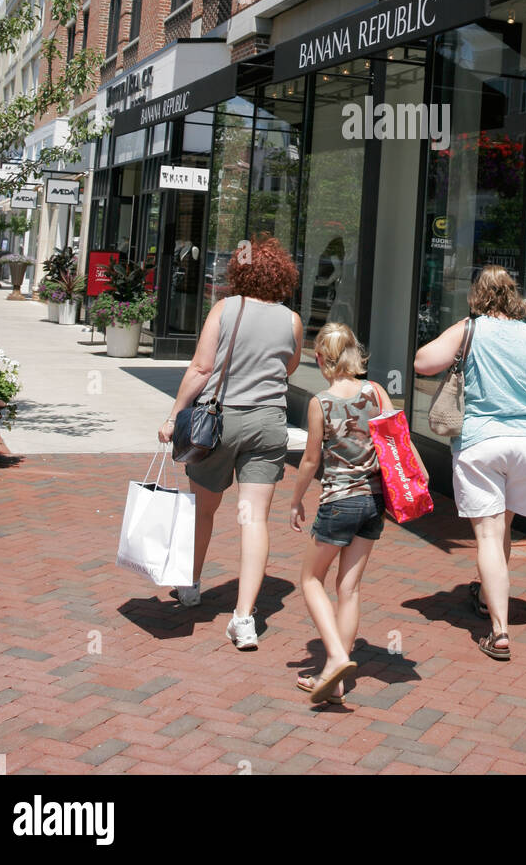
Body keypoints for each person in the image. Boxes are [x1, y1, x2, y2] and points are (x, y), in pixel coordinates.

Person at [414, 265, 526, 661]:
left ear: (477, 295)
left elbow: (422, 363)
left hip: (482, 442)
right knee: (502, 528)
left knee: (487, 534)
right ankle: (488, 597)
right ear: (513, 294)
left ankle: (499, 631)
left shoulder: (470, 329)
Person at [158, 235, 302, 650]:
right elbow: (287, 368)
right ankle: (244, 619)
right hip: (270, 423)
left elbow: (202, 368)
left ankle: (190, 585)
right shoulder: (291, 320)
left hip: (220, 422)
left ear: (241, 271)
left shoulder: (225, 308)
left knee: (203, 510)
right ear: (281, 274)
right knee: (253, 518)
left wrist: (173, 417)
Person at [289, 322, 428, 705]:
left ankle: (335, 658)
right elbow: (400, 438)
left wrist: (296, 499)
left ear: (320, 359)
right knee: (348, 589)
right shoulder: (376, 391)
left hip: (339, 502)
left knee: (311, 580)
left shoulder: (320, 403)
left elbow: (310, 459)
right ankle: (335, 681)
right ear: (353, 352)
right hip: (374, 502)